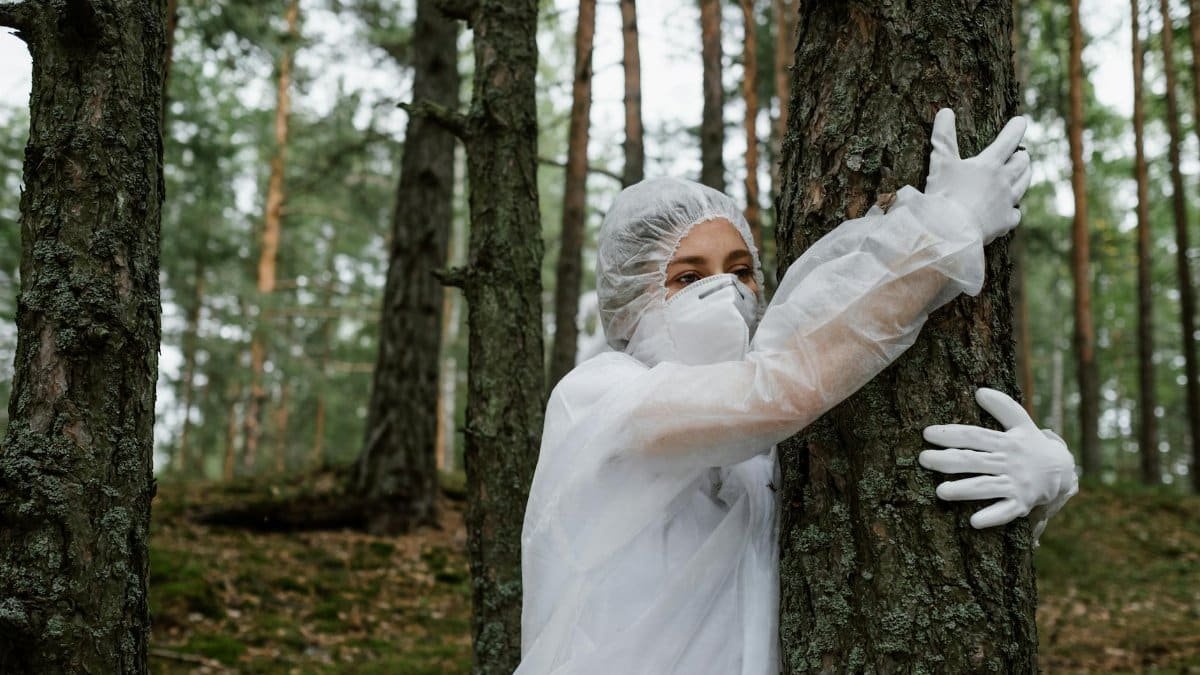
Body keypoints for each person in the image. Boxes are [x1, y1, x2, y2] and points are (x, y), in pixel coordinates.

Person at [515, 109, 1078, 674]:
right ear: (631, 297)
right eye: (687, 277)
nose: (723, 292)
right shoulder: (598, 396)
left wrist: (1050, 476)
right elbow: (782, 388)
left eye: (740, 271)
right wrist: (945, 231)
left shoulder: (761, 457)